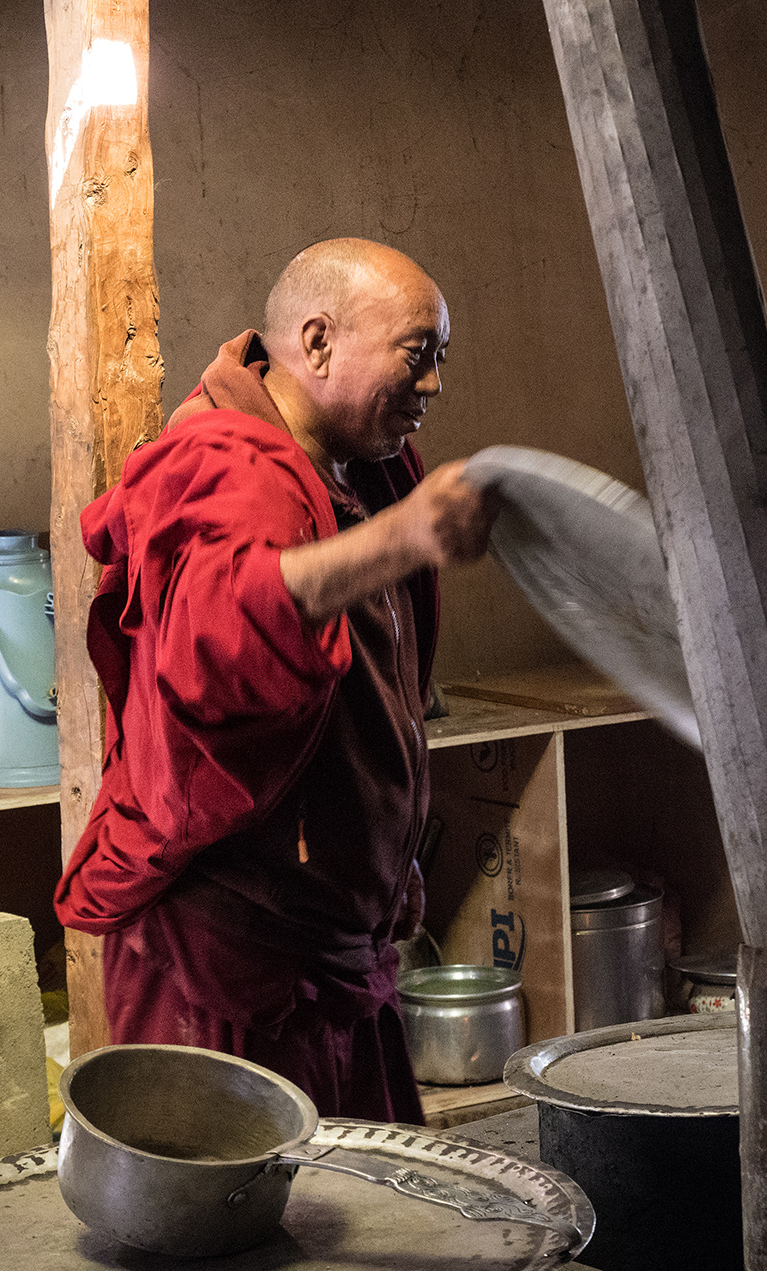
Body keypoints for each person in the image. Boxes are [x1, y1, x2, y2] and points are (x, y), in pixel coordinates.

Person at [53, 239, 495, 1118]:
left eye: (441, 357)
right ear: (318, 341)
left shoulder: (363, 467)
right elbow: (216, 636)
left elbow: (374, 692)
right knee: (235, 1232)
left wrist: (384, 859)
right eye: (418, 353)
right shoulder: (221, 457)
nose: (434, 384)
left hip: (338, 947)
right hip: (228, 960)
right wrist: (401, 538)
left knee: (365, 1222)